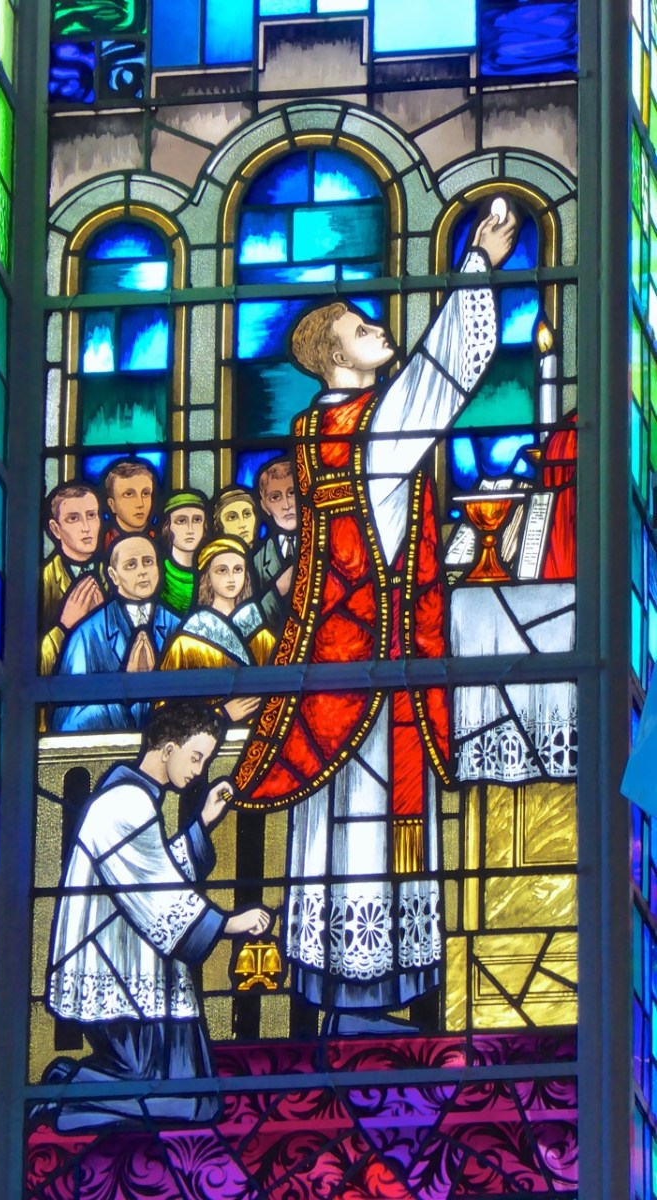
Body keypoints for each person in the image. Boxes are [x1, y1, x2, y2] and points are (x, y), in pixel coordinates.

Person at [235, 203, 518, 1026]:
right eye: (362, 327)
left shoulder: (329, 430)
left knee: (349, 835)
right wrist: (476, 264)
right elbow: (444, 374)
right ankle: (364, 1000)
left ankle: (357, 993)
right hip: (364, 671)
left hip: (352, 654)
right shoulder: (364, 426)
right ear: (333, 357)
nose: (378, 328)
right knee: (363, 837)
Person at [44, 701, 271, 1129]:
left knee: (199, 1098)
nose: (199, 772)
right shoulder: (124, 804)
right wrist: (228, 924)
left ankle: (75, 1092)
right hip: (121, 986)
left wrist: (203, 821)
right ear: (167, 749)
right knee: (190, 1103)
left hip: (140, 977)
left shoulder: (137, 800)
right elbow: (156, 896)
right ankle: (68, 1096)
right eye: (196, 757)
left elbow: (158, 872)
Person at [52, 535, 180, 732]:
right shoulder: (87, 635)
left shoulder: (178, 627)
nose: (142, 572)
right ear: (113, 575)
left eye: (148, 562)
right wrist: (125, 691)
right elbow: (69, 722)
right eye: (131, 565)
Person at [160, 537, 275, 677]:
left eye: (238, 569)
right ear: (207, 576)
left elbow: (278, 681)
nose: (231, 577)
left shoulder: (259, 632)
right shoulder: (188, 638)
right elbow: (167, 692)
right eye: (222, 570)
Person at [40, 483, 106, 675]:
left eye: (92, 515)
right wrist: (64, 627)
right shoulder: (43, 582)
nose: (86, 527)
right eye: (73, 519)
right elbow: (33, 664)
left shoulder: (115, 573)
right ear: (55, 528)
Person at [252, 457, 299, 631]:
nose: (286, 505)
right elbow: (252, 618)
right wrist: (278, 590)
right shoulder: (257, 560)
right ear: (264, 506)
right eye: (275, 497)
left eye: (292, 492)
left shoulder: (328, 544)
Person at [158, 490, 208, 616]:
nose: (190, 529)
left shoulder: (212, 572)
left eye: (197, 520)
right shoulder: (157, 572)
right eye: (181, 521)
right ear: (167, 527)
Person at [102, 459, 158, 550]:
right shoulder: (101, 543)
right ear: (112, 505)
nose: (140, 504)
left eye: (145, 493)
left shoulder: (162, 540)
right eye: (129, 494)